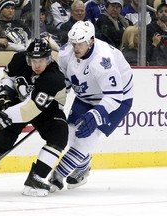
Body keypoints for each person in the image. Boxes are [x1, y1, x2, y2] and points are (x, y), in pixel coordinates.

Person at [0, 38, 68, 197]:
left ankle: (36, 178)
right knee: (4, 137)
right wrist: (5, 96)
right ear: (28, 57)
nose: (37, 65)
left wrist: (2, 117)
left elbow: (30, 109)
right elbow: (7, 75)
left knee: (60, 134)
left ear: (49, 59)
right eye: (33, 60)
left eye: (41, 60)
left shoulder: (53, 77)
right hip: (20, 100)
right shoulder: (19, 59)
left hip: (46, 107)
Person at [48, 20, 133, 192]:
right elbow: (65, 82)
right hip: (86, 96)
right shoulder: (66, 53)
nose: (76, 48)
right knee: (71, 133)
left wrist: (96, 115)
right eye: (73, 43)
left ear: (91, 40)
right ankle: (83, 167)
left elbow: (115, 96)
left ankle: (57, 176)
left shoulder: (103, 60)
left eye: (80, 43)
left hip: (117, 100)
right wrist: (52, 101)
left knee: (86, 139)